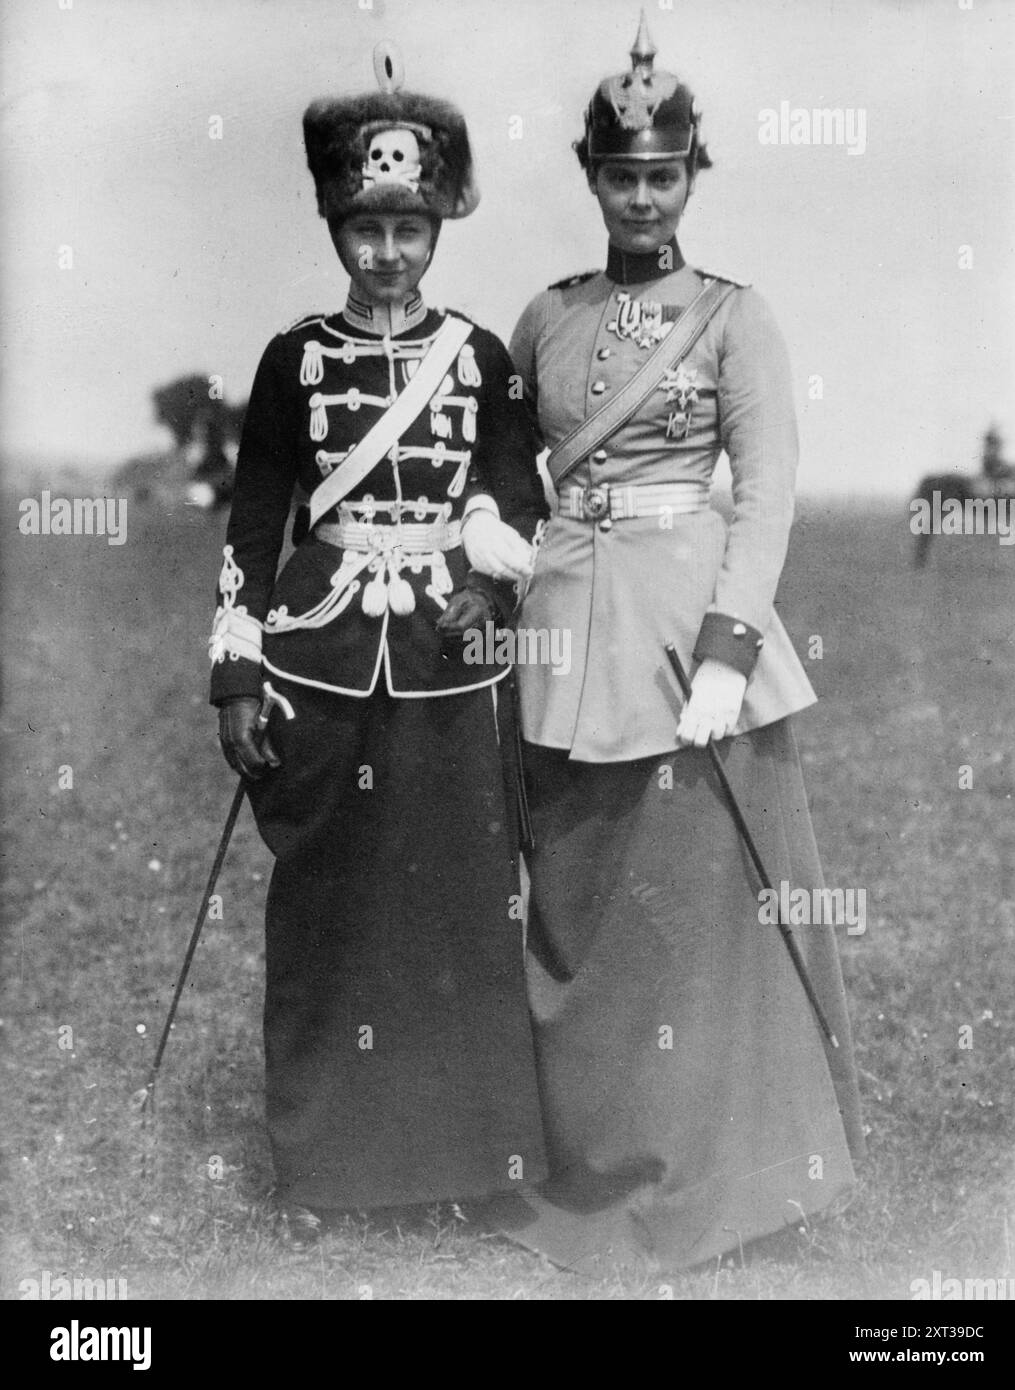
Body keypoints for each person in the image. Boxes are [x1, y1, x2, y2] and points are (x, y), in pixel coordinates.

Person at [489, 17, 866, 1272]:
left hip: (690, 638)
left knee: (699, 921)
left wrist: (723, 648)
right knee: (581, 909)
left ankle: (724, 1178)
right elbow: (503, 471)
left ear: (692, 176)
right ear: (588, 175)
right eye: (618, 174)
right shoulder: (543, 317)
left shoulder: (733, 318)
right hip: (562, 635)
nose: (640, 196)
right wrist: (493, 548)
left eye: (663, 174)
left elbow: (763, 494)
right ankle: (587, 1158)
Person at [208, 43, 549, 1247]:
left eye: (407, 226)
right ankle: (330, 1163)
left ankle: (470, 1156)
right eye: (362, 225)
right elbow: (255, 523)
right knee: (330, 903)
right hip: (320, 653)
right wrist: (236, 670)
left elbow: (516, 494)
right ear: (333, 221)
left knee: (459, 905)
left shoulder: (481, 360)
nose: (386, 251)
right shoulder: (293, 358)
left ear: (439, 223)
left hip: (449, 663)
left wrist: (489, 590)